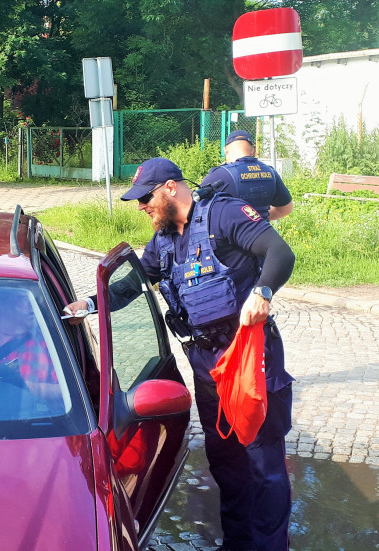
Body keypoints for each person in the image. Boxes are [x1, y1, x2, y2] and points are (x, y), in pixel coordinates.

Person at [65, 157, 296, 551]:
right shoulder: (165, 239)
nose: (141, 206)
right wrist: (90, 303)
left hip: (248, 360)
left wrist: (263, 292)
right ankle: (238, 543)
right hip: (206, 367)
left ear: (170, 188)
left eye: (145, 197)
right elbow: (135, 285)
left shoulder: (223, 214)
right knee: (226, 460)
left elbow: (279, 252)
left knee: (263, 467)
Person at [201, 130, 293, 221]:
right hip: (263, 234)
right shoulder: (270, 173)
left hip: (231, 235)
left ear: (225, 150)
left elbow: (195, 210)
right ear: (252, 150)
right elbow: (286, 208)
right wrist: (258, 221)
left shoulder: (219, 175)